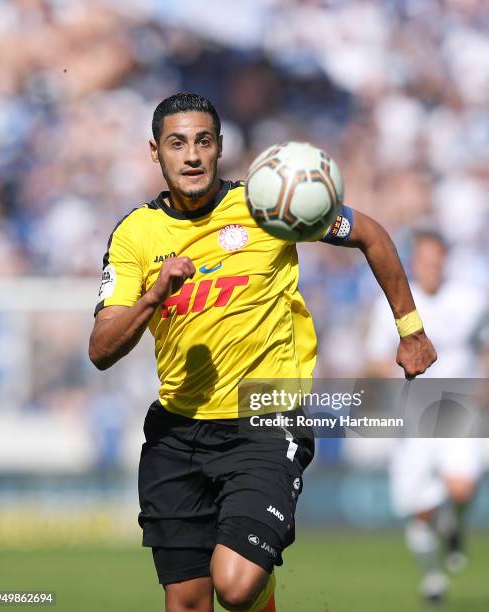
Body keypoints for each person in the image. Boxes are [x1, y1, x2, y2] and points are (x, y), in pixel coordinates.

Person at [88, 93, 436, 612]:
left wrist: (410, 330)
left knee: (235, 585)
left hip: (265, 418)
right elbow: (101, 349)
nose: (191, 155)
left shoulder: (269, 204)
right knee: (186, 602)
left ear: (221, 148)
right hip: (178, 431)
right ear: (154, 153)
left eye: (203, 142)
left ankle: (258, 591)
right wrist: (154, 295)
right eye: (177, 143)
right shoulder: (134, 234)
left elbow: (371, 235)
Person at [366, 229, 486, 604]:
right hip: (412, 418)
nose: (431, 267)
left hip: (457, 410)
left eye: (437, 260)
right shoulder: (390, 303)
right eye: (424, 260)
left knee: (462, 488)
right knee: (421, 511)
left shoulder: (471, 301)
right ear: (412, 263)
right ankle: (433, 577)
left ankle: (455, 524)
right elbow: (373, 360)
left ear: (445, 260)